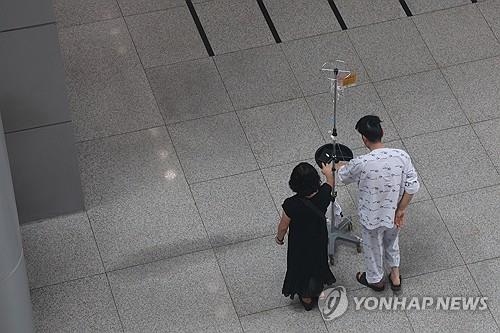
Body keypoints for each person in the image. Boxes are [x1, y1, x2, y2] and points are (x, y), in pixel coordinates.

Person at [337, 115, 419, 292]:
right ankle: (395, 276)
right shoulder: (401, 156)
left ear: (364, 139)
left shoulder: (362, 162)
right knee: (392, 241)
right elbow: (412, 186)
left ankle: (376, 280)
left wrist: (340, 166)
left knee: (372, 247)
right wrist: (401, 210)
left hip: (371, 217)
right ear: (382, 132)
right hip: (393, 213)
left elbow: (343, 176)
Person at [275, 162, 337, 311]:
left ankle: (306, 297)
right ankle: (317, 286)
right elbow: (330, 181)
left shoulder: (291, 204)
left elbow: (283, 226)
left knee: (300, 265)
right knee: (317, 260)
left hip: (300, 241)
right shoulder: (323, 194)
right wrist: (327, 172)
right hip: (319, 236)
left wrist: (279, 238)